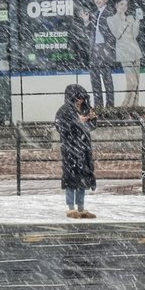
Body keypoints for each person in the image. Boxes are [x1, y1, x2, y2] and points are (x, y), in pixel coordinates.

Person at [55, 84, 98, 219]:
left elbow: (90, 127)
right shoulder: (64, 111)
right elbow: (62, 126)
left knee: (83, 176)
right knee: (71, 177)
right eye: (78, 97)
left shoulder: (84, 109)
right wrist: (79, 121)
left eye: (82, 98)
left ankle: (81, 207)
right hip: (71, 148)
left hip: (83, 148)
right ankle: (71, 208)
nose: (81, 100)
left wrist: (91, 118)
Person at [79, 0, 115, 108]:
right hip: (94, 50)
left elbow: (112, 33)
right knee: (95, 80)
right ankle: (98, 106)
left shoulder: (110, 13)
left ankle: (110, 107)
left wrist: (107, 48)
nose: (97, 0)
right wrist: (86, 22)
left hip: (105, 50)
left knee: (107, 80)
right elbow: (89, 33)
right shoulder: (94, 14)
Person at [106, 0, 142, 107]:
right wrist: (125, 22)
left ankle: (132, 105)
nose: (124, 7)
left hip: (135, 51)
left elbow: (134, 35)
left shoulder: (130, 17)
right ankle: (128, 106)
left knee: (136, 83)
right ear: (116, 5)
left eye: (126, 5)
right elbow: (117, 34)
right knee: (133, 82)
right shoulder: (111, 19)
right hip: (124, 53)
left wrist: (137, 21)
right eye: (121, 4)